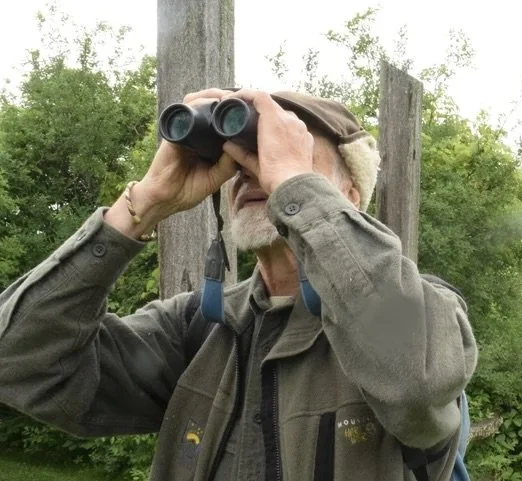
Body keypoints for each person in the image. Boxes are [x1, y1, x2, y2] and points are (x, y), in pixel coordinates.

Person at [0, 88, 478, 481]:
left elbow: (415, 382)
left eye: (287, 150)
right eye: (243, 157)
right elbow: (21, 363)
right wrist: (140, 206)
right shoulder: (199, 329)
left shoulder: (424, 311)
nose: (254, 169)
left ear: (350, 195)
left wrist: (292, 186)